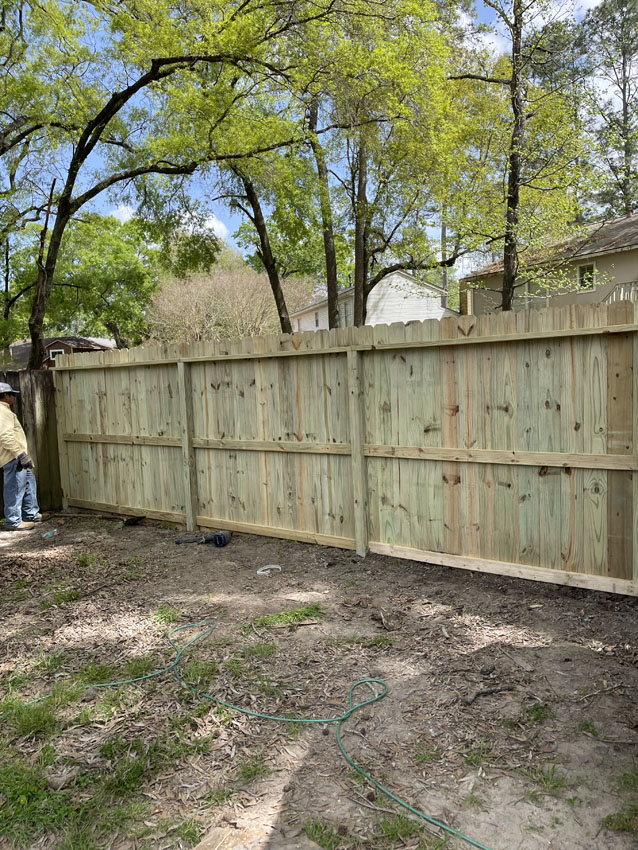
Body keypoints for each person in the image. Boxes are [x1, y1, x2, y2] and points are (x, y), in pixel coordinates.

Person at [0, 382, 41, 530]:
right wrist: (20, 455)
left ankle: (30, 514)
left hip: (17, 456)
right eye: (12, 395)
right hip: (13, 457)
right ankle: (13, 521)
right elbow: (5, 436)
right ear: (5, 395)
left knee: (29, 481)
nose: (14, 397)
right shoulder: (2, 411)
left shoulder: (5, 410)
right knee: (14, 488)